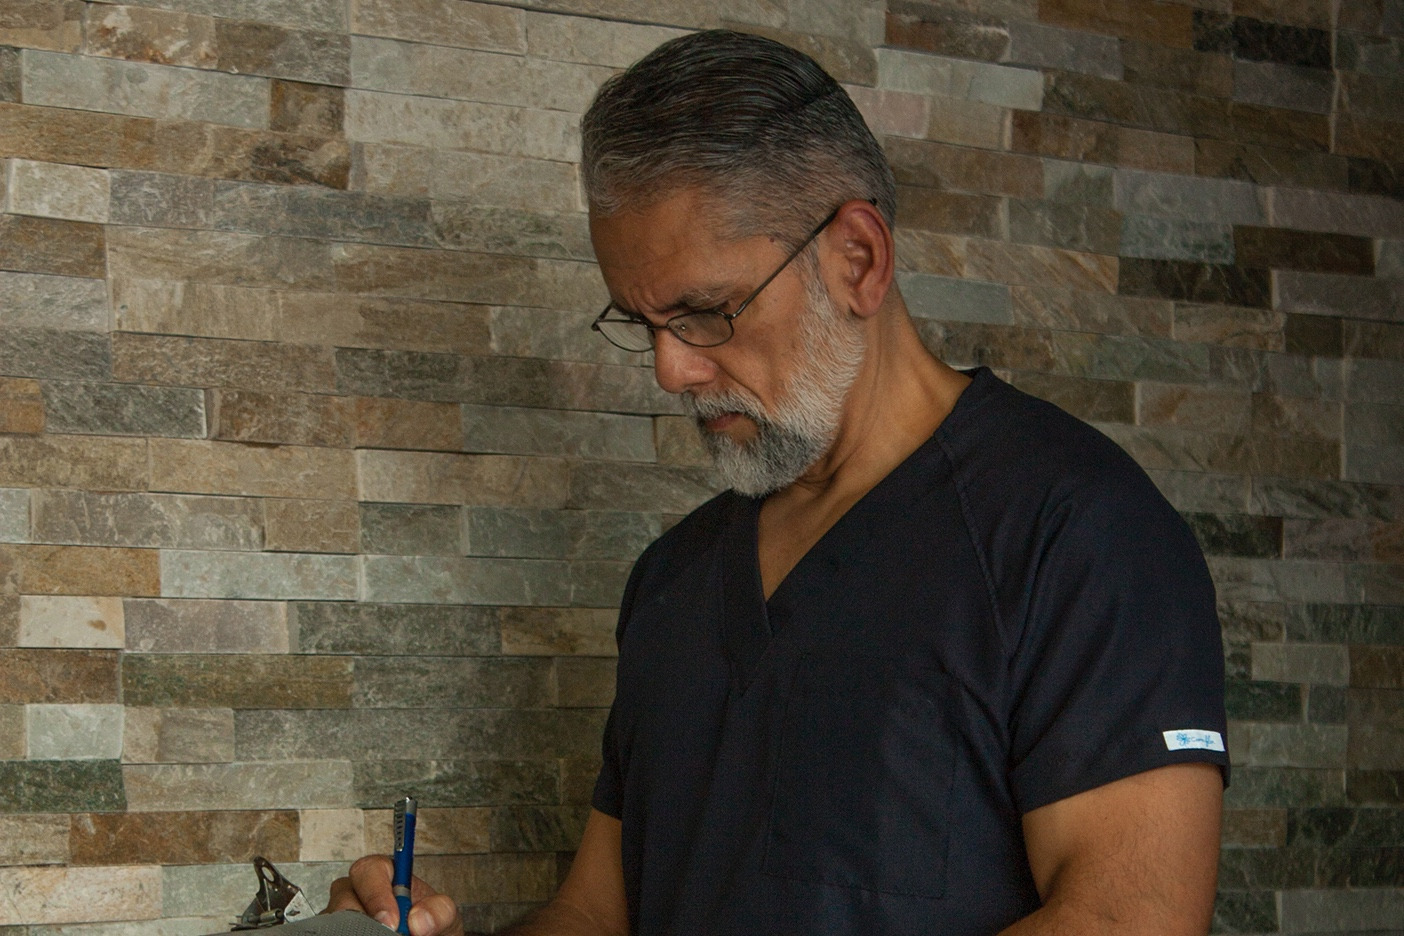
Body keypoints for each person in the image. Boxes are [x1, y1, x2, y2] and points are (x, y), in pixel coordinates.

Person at [328, 29, 1229, 936]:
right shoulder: (674, 577)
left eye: (706, 313)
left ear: (858, 261)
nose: (669, 371)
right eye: (642, 323)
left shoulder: (1077, 531)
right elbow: (599, 914)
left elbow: (1127, 916)